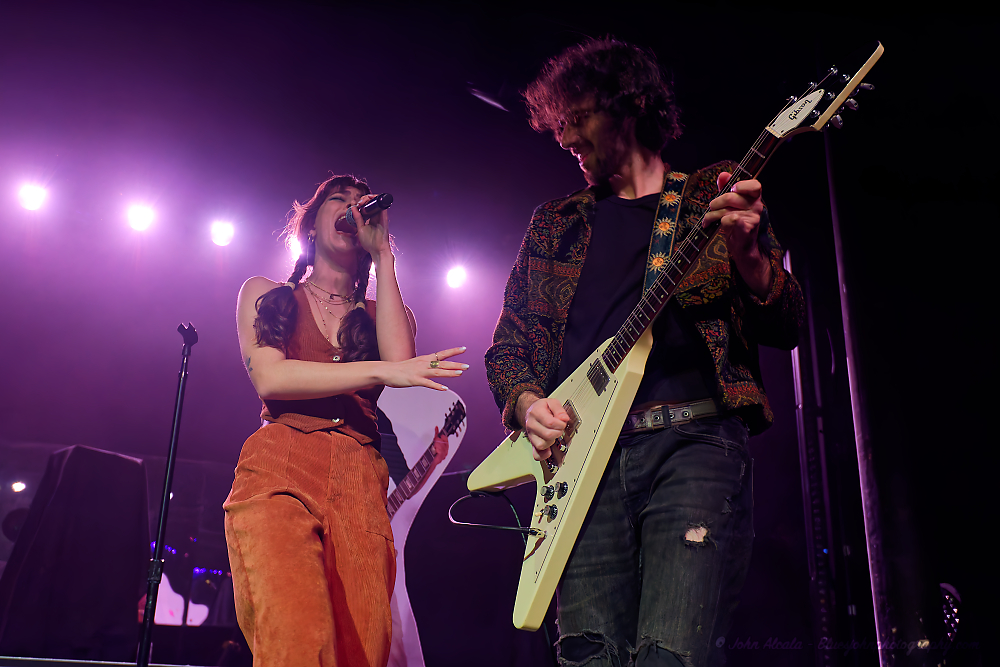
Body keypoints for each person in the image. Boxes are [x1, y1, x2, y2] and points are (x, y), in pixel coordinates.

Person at [484, 38, 805, 666]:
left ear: (626, 104)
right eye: (559, 122)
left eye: (576, 115)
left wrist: (748, 256)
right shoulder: (555, 224)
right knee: (590, 656)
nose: (563, 135)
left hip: (693, 447)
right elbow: (509, 347)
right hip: (583, 467)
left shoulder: (713, 194)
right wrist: (526, 405)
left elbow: (788, 323)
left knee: (671, 655)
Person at [224, 174, 467, 667]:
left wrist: (384, 258)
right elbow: (270, 379)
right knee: (296, 640)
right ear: (311, 225)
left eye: (362, 205)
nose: (353, 209)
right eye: (340, 200)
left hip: (361, 476)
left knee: (363, 650)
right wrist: (380, 369)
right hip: (281, 462)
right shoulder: (266, 293)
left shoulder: (385, 312)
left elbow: (402, 364)